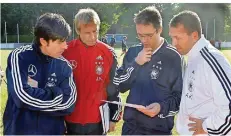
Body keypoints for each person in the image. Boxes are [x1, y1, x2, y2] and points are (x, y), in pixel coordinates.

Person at [113, 6, 183, 135]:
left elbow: (180, 98)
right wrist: (136, 63)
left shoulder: (173, 57)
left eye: (149, 35)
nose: (144, 40)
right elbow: (119, 85)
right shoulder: (133, 52)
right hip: (131, 129)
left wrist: (161, 108)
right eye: (140, 35)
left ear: (159, 30)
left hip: (158, 131)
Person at [3, 13, 77, 135]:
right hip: (19, 131)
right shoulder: (19, 57)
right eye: (60, 42)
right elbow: (21, 98)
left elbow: (69, 104)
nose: (65, 46)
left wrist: (34, 98)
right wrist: (56, 93)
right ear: (43, 41)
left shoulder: (64, 66)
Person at [169, 10, 231, 135]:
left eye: (178, 38)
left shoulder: (211, 60)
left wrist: (206, 126)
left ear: (195, 36)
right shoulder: (191, 57)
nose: (174, 43)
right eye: (172, 37)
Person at [63, 8, 122, 135]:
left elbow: (114, 88)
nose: (93, 36)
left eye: (95, 31)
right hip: (71, 119)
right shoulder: (65, 52)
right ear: (78, 31)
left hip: (98, 120)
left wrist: (114, 117)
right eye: (87, 33)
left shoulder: (108, 53)